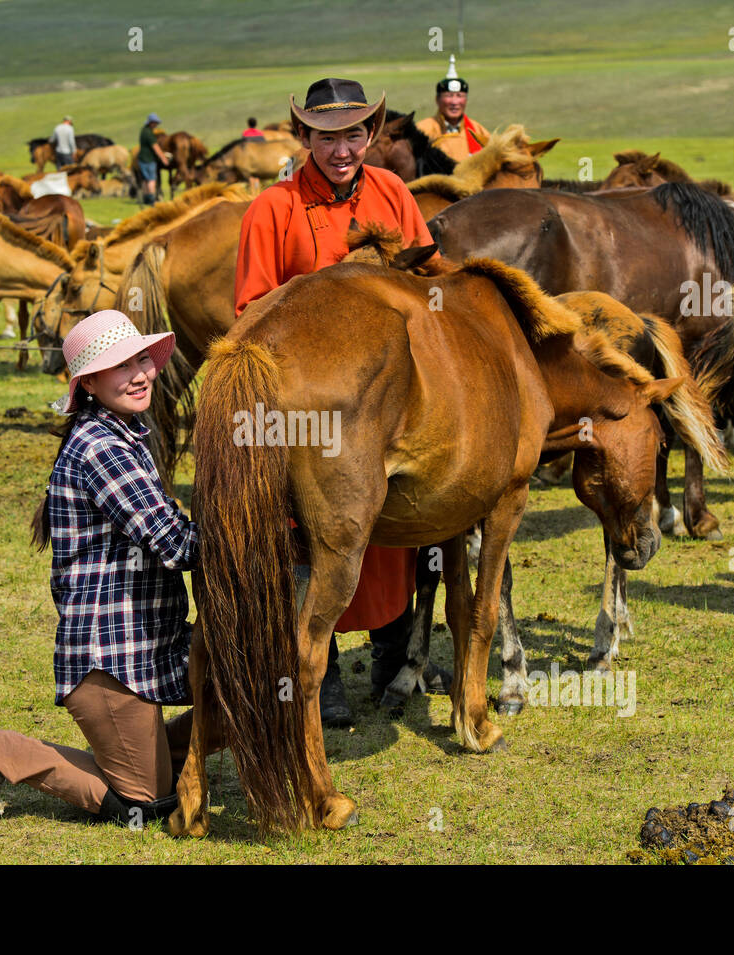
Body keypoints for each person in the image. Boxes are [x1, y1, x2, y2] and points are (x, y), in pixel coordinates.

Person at [234, 77, 452, 729]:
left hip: (386, 399)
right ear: (303, 137)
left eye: (354, 133)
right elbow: (249, 314)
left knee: (394, 531)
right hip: (308, 406)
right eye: (326, 136)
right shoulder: (270, 210)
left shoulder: (392, 193)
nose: (341, 148)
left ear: (372, 135)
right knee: (311, 535)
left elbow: (428, 282)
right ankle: (318, 672)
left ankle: (390, 656)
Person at [0, 309, 199, 825]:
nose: (139, 374)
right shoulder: (103, 446)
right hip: (110, 656)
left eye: (141, 360)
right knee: (145, 805)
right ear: (87, 382)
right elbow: (176, 544)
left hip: (148, 641)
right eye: (118, 366)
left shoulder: (129, 433)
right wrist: (255, 536)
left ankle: (148, 758)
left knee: (246, 694)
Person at [415, 56, 490, 163]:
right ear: (437, 100)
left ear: (466, 100)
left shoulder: (478, 132)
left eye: (459, 96)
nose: (454, 102)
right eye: (449, 95)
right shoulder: (422, 130)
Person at [138, 112, 170, 206]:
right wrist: (163, 158)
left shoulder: (143, 130)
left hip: (141, 158)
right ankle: (152, 199)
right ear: (151, 123)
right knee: (151, 179)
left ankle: (146, 198)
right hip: (149, 159)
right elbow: (155, 147)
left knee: (145, 179)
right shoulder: (149, 134)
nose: (156, 125)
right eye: (155, 123)